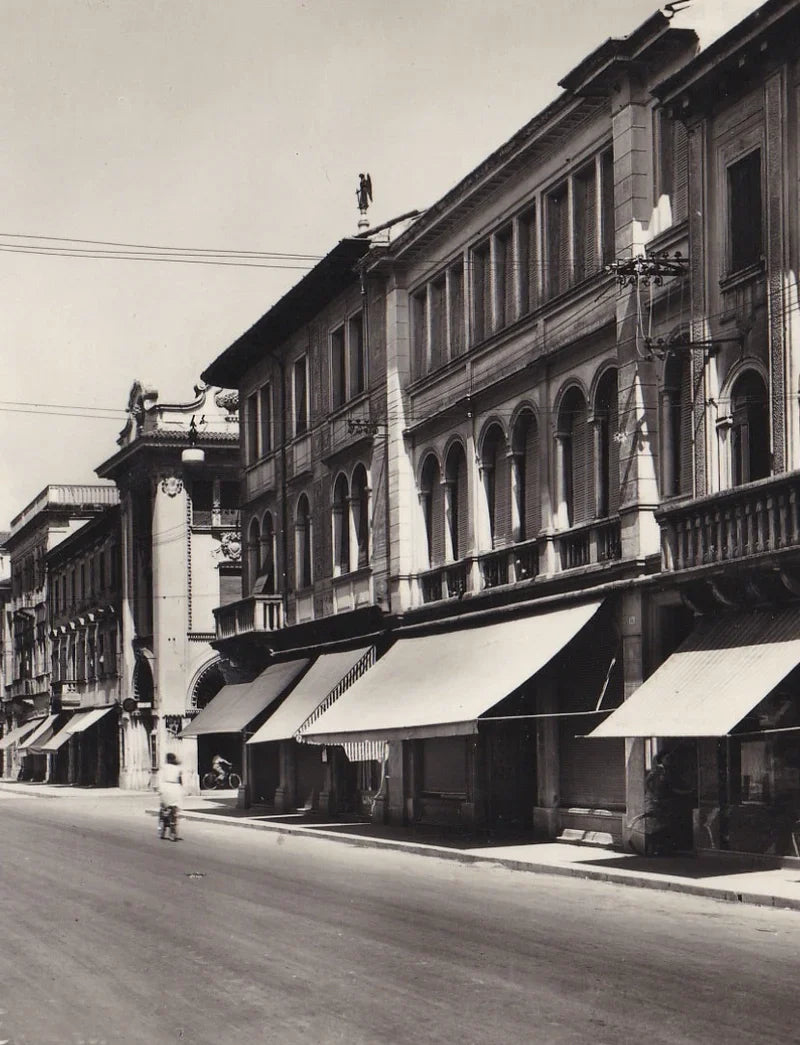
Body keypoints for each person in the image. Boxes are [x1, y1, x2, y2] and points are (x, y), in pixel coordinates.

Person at [158, 752, 183, 841]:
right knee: (174, 809)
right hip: (175, 788)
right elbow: (180, 781)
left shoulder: (163, 768)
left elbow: (160, 779)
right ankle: (173, 831)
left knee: (164, 808)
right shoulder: (178, 768)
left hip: (165, 787)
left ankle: (162, 828)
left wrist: (159, 790)